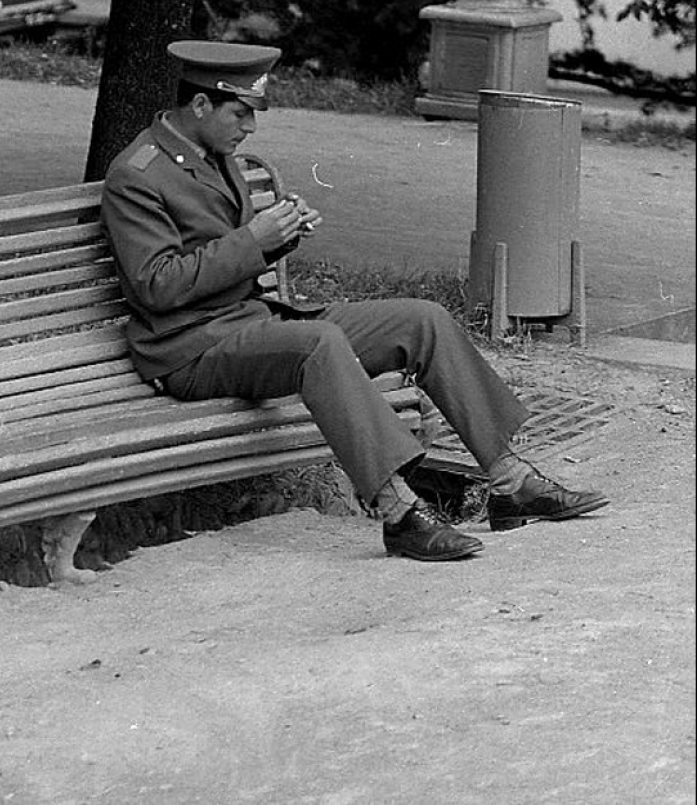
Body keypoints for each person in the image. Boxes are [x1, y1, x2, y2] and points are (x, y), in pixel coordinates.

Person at [101, 40, 608, 563]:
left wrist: (279, 235)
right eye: (241, 113)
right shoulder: (138, 175)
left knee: (423, 320)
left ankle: (511, 482)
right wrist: (254, 240)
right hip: (188, 348)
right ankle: (400, 513)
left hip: (249, 322)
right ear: (200, 104)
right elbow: (156, 285)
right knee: (318, 343)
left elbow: (223, 248)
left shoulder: (212, 152)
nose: (250, 126)